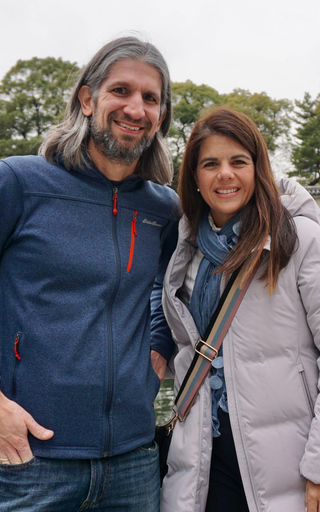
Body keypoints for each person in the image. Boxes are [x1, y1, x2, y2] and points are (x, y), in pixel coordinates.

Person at [161, 107, 320, 512]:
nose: (225, 174)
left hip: (292, 467)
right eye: (210, 164)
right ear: (194, 176)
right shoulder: (185, 253)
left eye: (238, 161)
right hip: (205, 464)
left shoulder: (299, 241)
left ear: (257, 168)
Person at [0, 37, 178, 511]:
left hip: (134, 462)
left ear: (160, 115)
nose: (135, 108)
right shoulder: (18, 184)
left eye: (150, 98)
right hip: (27, 461)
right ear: (87, 99)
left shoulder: (164, 209)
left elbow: (176, 286)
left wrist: (158, 347)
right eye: (121, 90)